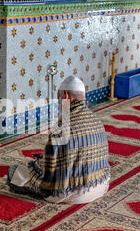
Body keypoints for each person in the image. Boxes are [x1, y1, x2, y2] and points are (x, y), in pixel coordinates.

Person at [7, 76, 111, 204]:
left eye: (59, 99)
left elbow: (48, 176)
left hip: (72, 193)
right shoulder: (96, 121)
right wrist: (47, 156)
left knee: (14, 172)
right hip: (100, 185)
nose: (60, 104)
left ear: (66, 96)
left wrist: (35, 164)